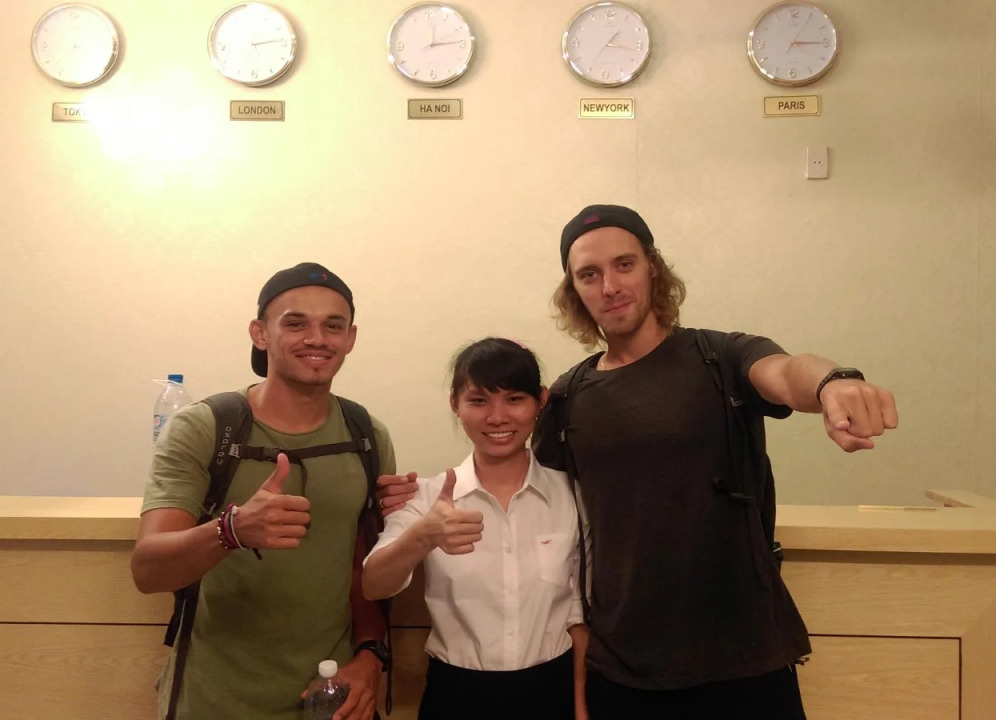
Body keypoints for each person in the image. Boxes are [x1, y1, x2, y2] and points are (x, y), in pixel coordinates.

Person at [378, 204, 899, 719]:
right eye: (589, 274)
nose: (610, 286)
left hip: (741, 657)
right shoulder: (568, 396)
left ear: (653, 267)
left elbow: (786, 372)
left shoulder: (719, 357)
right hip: (623, 671)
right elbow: (521, 483)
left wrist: (833, 383)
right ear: (574, 291)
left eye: (624, 264)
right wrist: (418, 500)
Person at [131, 262, 396, 720]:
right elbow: (148, 571)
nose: (317, 338)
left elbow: (363, 563)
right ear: (260, 333)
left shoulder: (367, 435)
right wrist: (231, 530)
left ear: (350, 338)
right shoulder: (205, 429)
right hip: (215, 701)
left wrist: (372, 655)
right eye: (295, 323)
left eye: (333, 326)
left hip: (330, 698)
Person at [363, 338, 589, 720]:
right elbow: (373, 585)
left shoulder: (571, 494)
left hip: (553, 689)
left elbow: (576, 614)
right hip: (456, 694)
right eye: (479, 400)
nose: (497, 417)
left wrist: (581, 709)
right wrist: (424, 536)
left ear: (540, 401)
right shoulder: (427, 497)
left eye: (514, 399)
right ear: (456, 403)